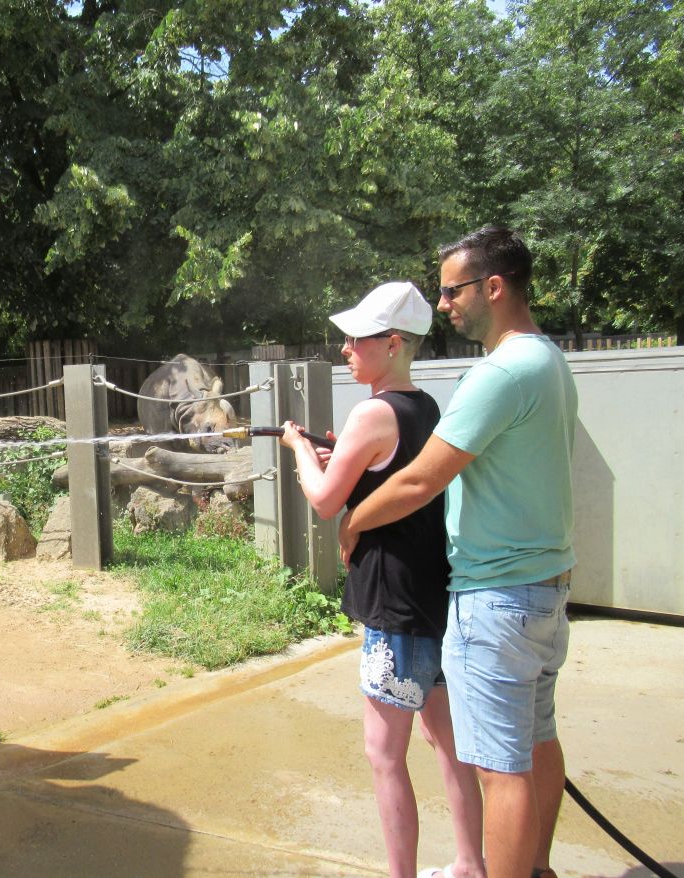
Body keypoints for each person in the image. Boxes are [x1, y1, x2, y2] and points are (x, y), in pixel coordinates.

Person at [338, 228, 577, 878]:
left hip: (497, 600)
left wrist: (354, 517)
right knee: (537, 744)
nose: (443, 304)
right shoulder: (549, 361)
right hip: (544, 593)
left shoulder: (499, 373)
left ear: (492, 287)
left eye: (452, 290)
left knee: (501, 770)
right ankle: (538, 869)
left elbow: (418, 479)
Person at [277, 281, 485, 878]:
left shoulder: (371, 412)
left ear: (392, 343)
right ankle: (470, 864)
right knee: (448, 744)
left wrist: (297, 446)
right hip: (434, 595)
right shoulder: (426, 409)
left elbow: (322, 502)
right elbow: (383, 473)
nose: (344, 348)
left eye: (355, 339)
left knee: (384, 754)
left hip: (393, 606)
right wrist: (341, 455)